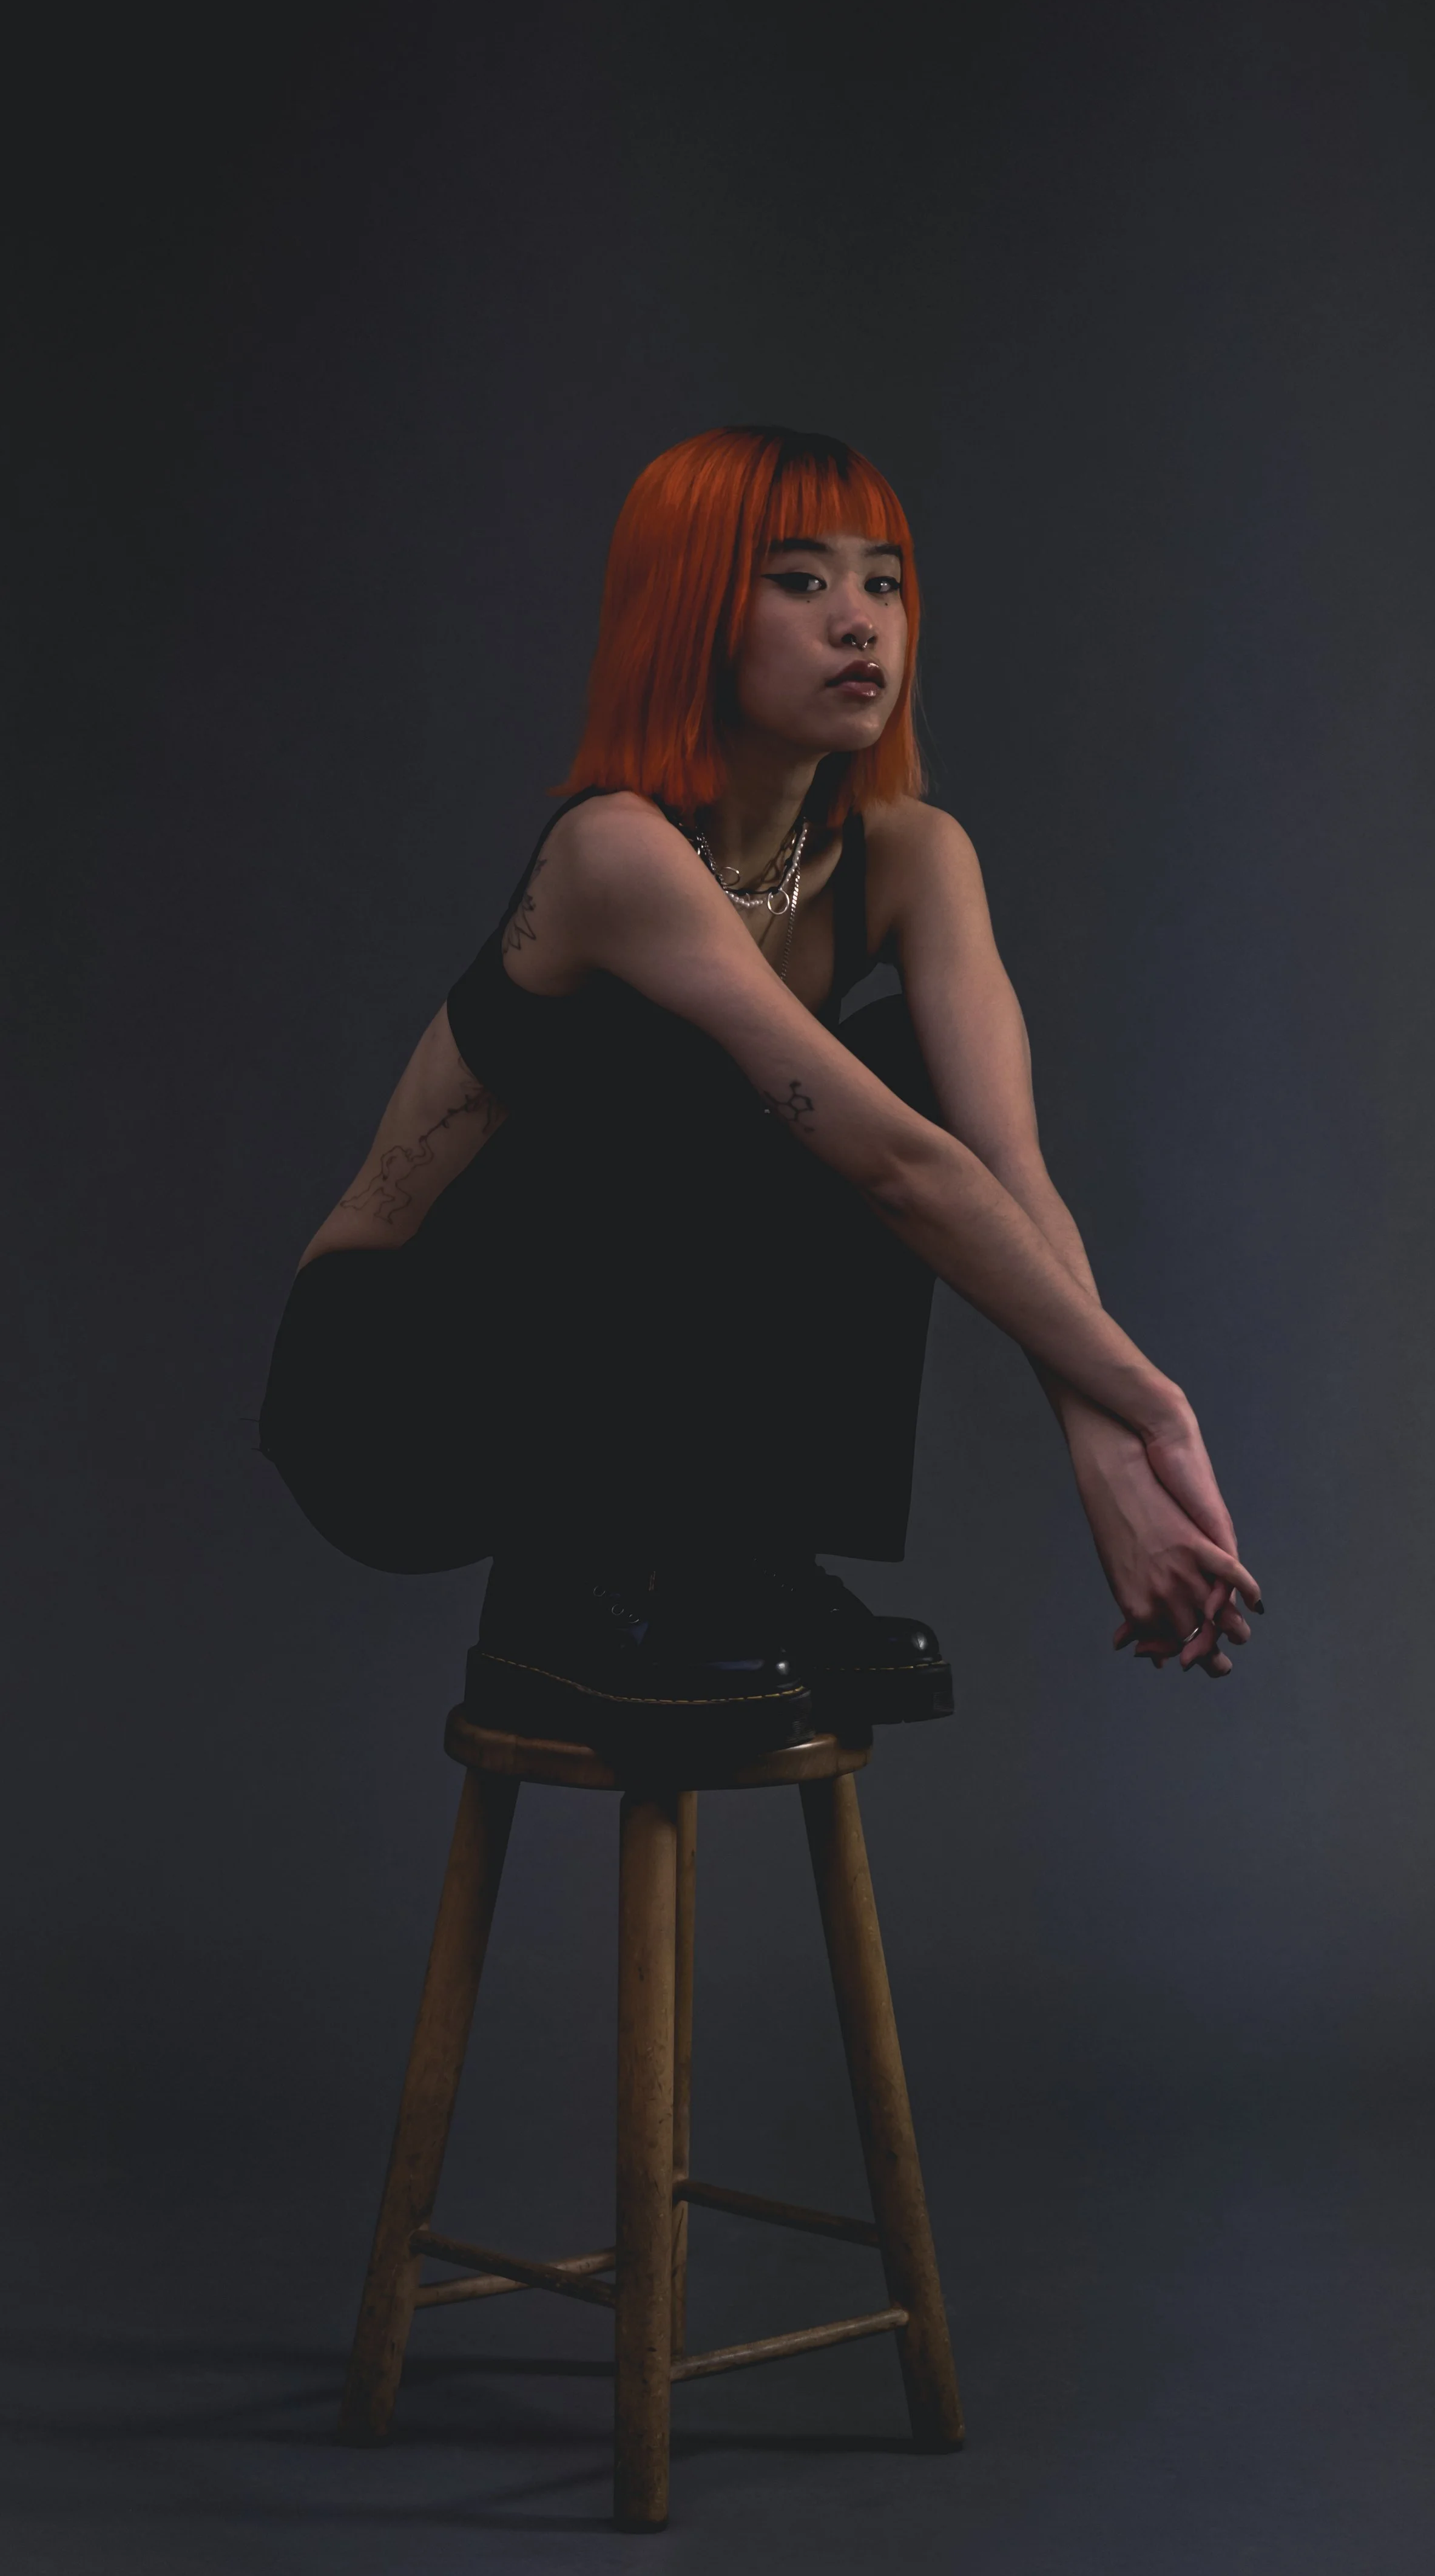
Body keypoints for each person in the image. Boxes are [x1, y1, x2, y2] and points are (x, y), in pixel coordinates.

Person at [260, 424, 1262, 1761]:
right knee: (731, 1073)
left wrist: (1103, 1449)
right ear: (691, 612)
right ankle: (565, 1594)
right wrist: (1152, 1399)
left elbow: (1000, 1174)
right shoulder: (614, 853)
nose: (858, 622)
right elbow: (892, 1170)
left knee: (900, 1076)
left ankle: (748, 1562)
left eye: (884, 581)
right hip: (392, 1385)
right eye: (798, 581)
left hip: (596, 1390)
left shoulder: (910, 857)